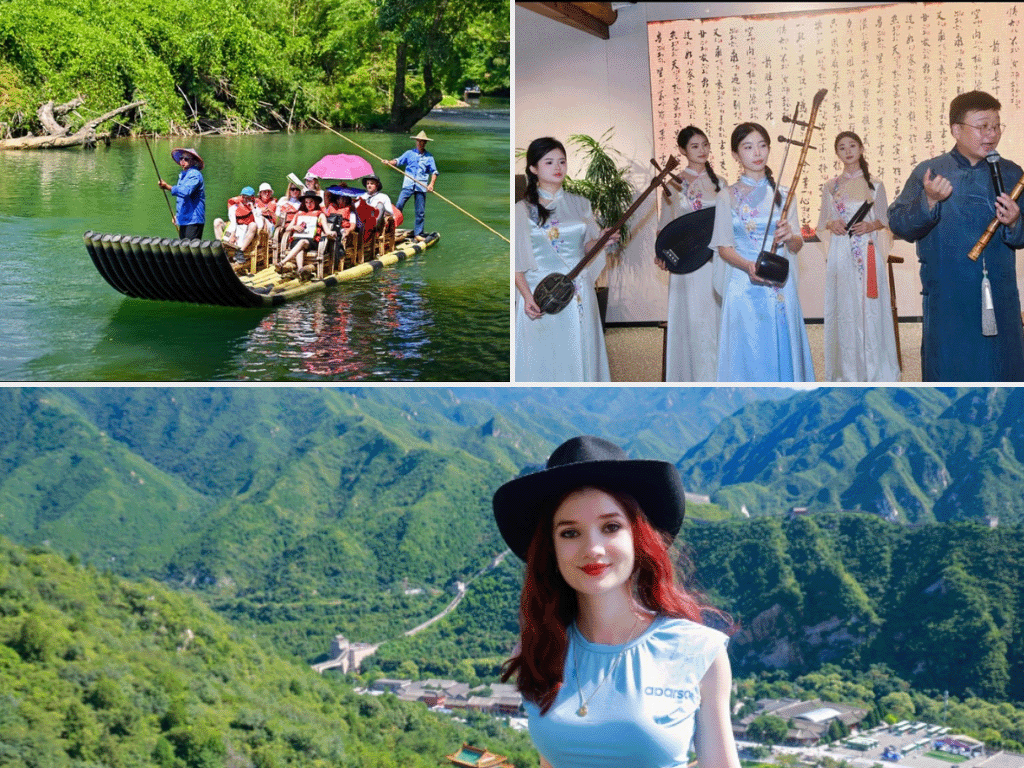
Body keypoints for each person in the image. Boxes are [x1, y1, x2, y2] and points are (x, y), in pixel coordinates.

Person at [492, 435, 740, 768]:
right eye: (569, 532)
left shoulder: (698, 653)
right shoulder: (537, 652)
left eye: (610, 527)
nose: (592, 548)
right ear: (550, 548)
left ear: (639, 538)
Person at [888, 90, 1024, 381]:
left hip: (999, 295)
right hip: (948, 296)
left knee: (1003, 372)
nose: (992, 134)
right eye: (982, 126)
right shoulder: (929, 172)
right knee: (951, 377)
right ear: (956, 129)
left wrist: (1015, 222)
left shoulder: (1012, 173)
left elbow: (1022, 234)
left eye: (996, 125)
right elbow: (898, 223)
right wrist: (930, 202)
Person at [710, 123, 815, 382]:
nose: (757, 153)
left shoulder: (783, 194)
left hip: (779, 284)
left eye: (762, 145)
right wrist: (748, 266)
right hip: (744, 284)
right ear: (736, 155)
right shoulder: (727, 196)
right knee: (749, 352)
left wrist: (789, 236)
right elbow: (724, 247)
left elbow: (797, 245)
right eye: (748, 147)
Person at [515, 137, 617, 382]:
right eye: (549, 162)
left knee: (581, 347)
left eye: (562, 161)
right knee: (545, 355)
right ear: (533, 168)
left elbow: (586, 247)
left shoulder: (581, 203)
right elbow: (517, 259)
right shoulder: (522, 208)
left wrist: (602, 239)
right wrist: (527, 297)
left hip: (578, 289)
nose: (558, 167)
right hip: (541, 293)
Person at [817, 132, 900, 382]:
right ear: (837, 153)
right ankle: (847, 370)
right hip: (842, 251)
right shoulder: (830, 186)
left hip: (868, 250)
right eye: (841, 147)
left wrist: (871, 226)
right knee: (845, 307)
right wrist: (834, 224)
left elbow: (886, 221)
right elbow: (823, 223)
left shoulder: (875, 184)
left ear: (861, 148)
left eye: (852, 145)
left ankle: (874, 368)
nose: (848, 151)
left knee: (870, 306)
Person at [656, 126, 723, 382]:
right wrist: (661, 253)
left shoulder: (722, 184)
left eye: (705, 145)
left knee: (714, 315)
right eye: (695, 146)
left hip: (715, 259)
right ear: (682, 151)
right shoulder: (673, 183)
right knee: (691, 320)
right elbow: (666, 223)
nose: (702, 151)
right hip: (686, 262)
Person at [385, 129, 439, 240]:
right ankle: (390, 229)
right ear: (416, 142)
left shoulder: (429, 157)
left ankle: (418, 233)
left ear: (425, 143)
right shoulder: (409, 153)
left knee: (420, 212)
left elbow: (434, 172)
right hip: (408, 185)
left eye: (422, 142)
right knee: (398, 206)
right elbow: (398, 161)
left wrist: (431, 184)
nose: (420, 143)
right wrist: (389, 162)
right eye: (419, 141)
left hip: (421, 186)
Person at [158, 147, 206, 240]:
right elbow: (182, 200)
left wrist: (168, 187)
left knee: (191, 249)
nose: (183, 161)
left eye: (186, 159)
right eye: (181, 158)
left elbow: (185, 192)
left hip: (194, 220)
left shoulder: (195, 174)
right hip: (184, 219)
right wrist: (178, 216)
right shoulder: (183, 175)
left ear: (193, 161)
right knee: (184, 248)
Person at [279, 191, 327, 274]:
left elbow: (326, 230)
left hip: (311, 241)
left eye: (311, 202)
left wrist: (331, 232)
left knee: (302, 242)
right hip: (297, 240)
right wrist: (294, 227)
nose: (309, 204)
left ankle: (283, 262)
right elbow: (287, 228)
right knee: (300, 247)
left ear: (315, 202)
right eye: (306, 202)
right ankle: (300, 269)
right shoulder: (299, 214)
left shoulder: (320, 215)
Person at [213, 187, 263, 256]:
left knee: (253, 225)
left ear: (252, 198)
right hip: (235, 226)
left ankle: (240, 252)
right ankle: (221, 247)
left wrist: (253, 210)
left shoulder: (256, 208)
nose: (245, 199)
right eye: (244, 197)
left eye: (248, 197)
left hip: (246, 229)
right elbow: (233, 221)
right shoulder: (235, 206)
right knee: (217, 221)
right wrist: (233, 234)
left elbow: (260, 225)